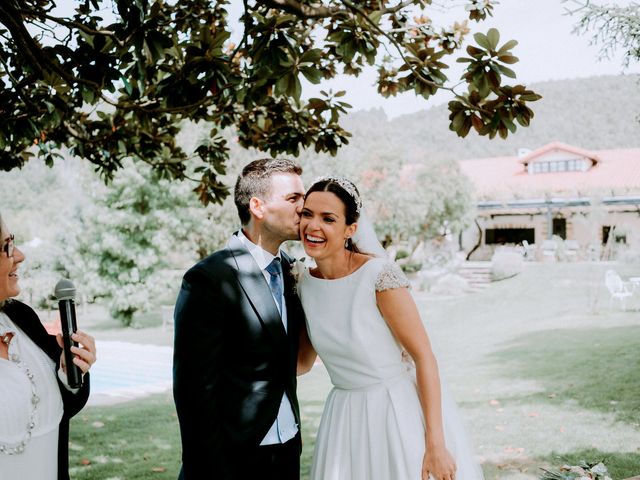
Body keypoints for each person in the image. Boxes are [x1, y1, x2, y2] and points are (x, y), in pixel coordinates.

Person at [296, 176, 485, 480]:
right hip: (343, 417)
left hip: (395, 412)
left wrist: (436, 443)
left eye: (328, 218)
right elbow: (301, 363)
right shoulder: (304, 283)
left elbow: (424, 357)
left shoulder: (378, 277)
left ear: (350, 230)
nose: (313, 226)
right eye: (307, 214)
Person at [173, 158, 307, 480]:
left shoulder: (295, 272)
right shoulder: (209, 279)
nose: (304, 208)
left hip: (288, 450)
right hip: (234, 457)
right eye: (293, 199)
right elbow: (193, 391)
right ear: (257, 206)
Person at [0, 212, 96, 480]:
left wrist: (70, 374)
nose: (19, 255)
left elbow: (64, 405)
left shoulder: (20, 317)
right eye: (6, 246)